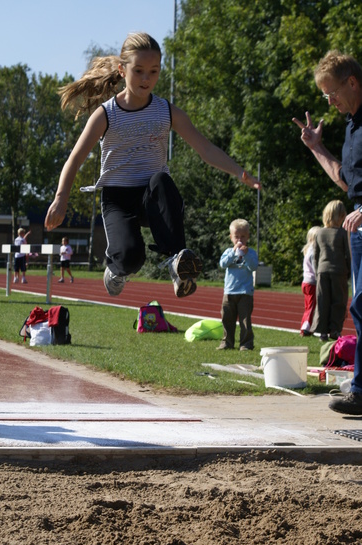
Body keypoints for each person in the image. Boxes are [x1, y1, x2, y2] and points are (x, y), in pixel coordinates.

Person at [44, 32, 260, 299]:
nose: (146, 79)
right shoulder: (106, 114)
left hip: (151, 194)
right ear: (122, 71)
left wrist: (239, 171)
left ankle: (178, 263)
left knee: (162, 179)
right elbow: (75, 159)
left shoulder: (167, 111)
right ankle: (116, 268)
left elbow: (205, 148)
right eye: (139, 71)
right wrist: (61, 198)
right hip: (118, 198)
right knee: (132, 257)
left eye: (153, 71)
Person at [293, 50, 362, 414]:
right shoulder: (351, 124)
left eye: (331, 92)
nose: (328, 101)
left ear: (352, 82)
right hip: (359, 230)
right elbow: (346, 181)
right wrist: (317, 147)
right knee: (360, 306)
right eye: (324, 96)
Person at [217, 219, 258, 351]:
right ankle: (227, 342)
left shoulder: (251, 253)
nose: (240, 240)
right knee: (227, 318)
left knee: (245, 320)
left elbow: (253, 267)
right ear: (231, 237)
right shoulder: (228, 251)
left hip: (245, 292)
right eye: (236, 237)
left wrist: (245, 255)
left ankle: (246, 344)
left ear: (248, 237)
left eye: (243, 237)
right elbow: (223, 264)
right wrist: (232, 253)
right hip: (229, 291)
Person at [313, 200, 350, 342]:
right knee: (338, 301)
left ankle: (322, 331)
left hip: (322, 270)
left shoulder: (319, 233)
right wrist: (349, 270)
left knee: (323, 301)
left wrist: (317, 271)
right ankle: (335, 329)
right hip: (339, 271)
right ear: (341, 216)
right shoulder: (342, 233)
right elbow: (348, 254)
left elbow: (315, 256)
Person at [300, 225, 320, 336]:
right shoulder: (313, 251)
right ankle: (306, 328)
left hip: (306, 282)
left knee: (308, 306)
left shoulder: (308, 249)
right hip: (312, 282)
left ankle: (305, 325)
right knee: (311, 307)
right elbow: (315, 267)